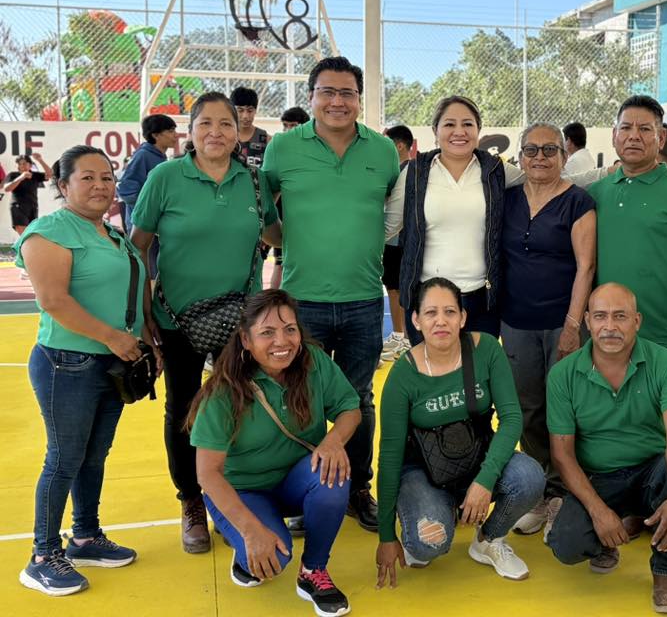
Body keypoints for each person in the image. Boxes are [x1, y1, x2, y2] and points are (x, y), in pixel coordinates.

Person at [130, 91, 281, 554]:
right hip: (177, 320)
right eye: (205, 123)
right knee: (184, 409)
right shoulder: (165, 177)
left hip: (240, 320)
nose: (216, 132)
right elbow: (138, 247)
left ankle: (237, 494)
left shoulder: (254, 181)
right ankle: (192, 500)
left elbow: (275, 234)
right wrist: (141, 315)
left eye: (226, 124)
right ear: (190, 131)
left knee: (242, 404)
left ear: (239, 132)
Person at [263, 56, 400, 532]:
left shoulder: (383, 152)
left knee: (357, 400)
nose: (337, 101)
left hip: (364, 300)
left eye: (347, 93)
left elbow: (392, 213)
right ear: (311, 97)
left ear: (359, 99)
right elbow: (263, 213)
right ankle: (309, 491)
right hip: (303, 303)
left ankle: (357, 488)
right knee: (301, 401)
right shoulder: (283, 149)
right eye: (328, 92)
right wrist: (286, 243)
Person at [15, 145, 159, 596]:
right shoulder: (48, 231)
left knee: (93, 456)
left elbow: (133, 292)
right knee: (63, 459)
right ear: (63, 185)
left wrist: (145, 339)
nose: (101, 186)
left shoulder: (112, 233)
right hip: (67, 363)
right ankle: (42, 556)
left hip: (112, 363)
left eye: (107, 177)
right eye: (88, 177)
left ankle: (85, 536)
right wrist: (113, 337)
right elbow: (53, 300)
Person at [188, 290, 360, 616]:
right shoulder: (223, 391)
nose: (282, 341)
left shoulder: (313, 361)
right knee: (274, 559)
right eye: (267, 332)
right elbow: (207, 474)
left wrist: (333, 440)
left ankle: (313, 571)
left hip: (295, 481)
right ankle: (243, 547)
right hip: (244, 490)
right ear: (246, 340)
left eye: (290, 329)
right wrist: (250, 531)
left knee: (334, 471)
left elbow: (350, 408)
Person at [385, 96, 609, 345]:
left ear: (478, 130)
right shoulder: (414, 173)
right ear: (435, 130)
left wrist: (606, 172)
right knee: (432, 370)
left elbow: (546, 179)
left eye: (467, 124)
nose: (459, 132)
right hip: (428, 299)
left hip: (482, 301)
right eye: (449, 124)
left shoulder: (494, 169)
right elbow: (387, 228)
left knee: (479, 370)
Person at [375, 277, 544, 586]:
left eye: (450, 312)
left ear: (463, 317)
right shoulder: (403, 375)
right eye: (431, 313)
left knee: (530, 477)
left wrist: (485, 479)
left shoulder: (487, 349)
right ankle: (436, 511)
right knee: (428, 546)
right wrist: (386, 536)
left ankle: (488, 540)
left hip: (476, 458)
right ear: (416, 320)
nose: (441, 321)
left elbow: (511, 419)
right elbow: (389, 456)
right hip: (424, 472)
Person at [546, 283, 667, 613]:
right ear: (587, 321)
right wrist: (599, 512)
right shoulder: (562, 375)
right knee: (566, 545)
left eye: (620, 316)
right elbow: (562, 454)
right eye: (600, 316)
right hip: (599, 478)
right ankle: (614, 531)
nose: (610, 326)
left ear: (637, 321)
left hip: (651, 470)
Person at [499, 122, 596, 536]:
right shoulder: (506, 199)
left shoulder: (578, 202)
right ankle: (539, 493)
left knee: (565, 409)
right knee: (528, 410)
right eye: (532, 150)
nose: (540, 157)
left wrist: (573, 326)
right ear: (520, 156)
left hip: (562, 323)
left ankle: (565, 495)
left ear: (564, 155)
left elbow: (586, 267)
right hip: (515, 323)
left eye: (549, 150)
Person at [588, 95, 667, 372]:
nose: (634, 136)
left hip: (666, 338)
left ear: (661, 138)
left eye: (645, 129)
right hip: (605, 337)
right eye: (626, 128)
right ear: (614, 135)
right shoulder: (594, 194)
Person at [117, 114, 178, 276]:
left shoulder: (159, 157)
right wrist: (149, 209)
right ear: (155, 135)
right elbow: (125, 188)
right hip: (144, 228)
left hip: (157, 227)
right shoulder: (143, 155)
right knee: (148, 273)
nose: (175, 135)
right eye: (170, 131)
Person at [380, 124, 415, 363]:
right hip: (394, 241)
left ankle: (405, 337)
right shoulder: (396, 170)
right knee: (393, 288)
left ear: (400, 145)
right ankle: (400, 335)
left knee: (400, 290)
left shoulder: (407, 171)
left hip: (400, 241)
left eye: (388, 143)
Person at [270, 106, 312, 291]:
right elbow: (271, 191)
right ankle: (276, 304)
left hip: (309, 221)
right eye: (285, 125)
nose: (288, 130)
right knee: (280, 264)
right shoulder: (279, 151)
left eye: (292, 125)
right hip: (283, 219)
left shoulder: (317, 152)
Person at [5, 153, 53, 235]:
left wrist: (40, 160)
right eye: (19, 164)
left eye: (24, 163)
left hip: (33, 208)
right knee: (24, 235)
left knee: (32, 235)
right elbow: (7, 188)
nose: (21, 166)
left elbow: (50, 174)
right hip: (18, 207)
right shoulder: (13, 175)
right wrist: (21, 177)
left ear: (30, 165)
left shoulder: (34, 175)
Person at [232, 86, 271, 169]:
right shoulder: (225, 137)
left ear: (255, 110)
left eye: (250, 110)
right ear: (232, 110)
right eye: (240, 110)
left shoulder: (266, 139)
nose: (245, 116)